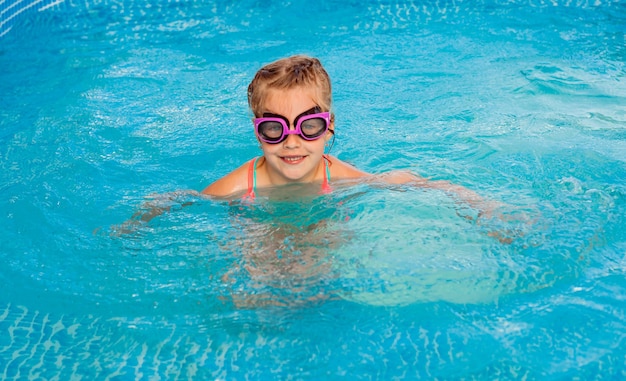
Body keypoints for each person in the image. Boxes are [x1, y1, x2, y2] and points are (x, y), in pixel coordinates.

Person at [202, 54, 493, 215]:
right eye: (274, 128)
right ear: (258, 134)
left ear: (329, 128)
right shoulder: (242, 184)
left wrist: (482, 204)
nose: (292, 141)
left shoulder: (337, 175)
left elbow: (400, 180)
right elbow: (182, 201)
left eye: (309, 126)